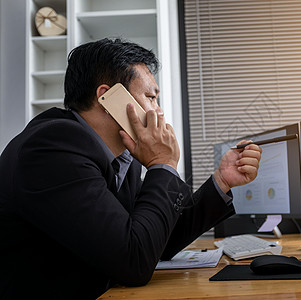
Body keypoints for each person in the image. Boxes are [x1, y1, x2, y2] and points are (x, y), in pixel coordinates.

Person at [0, 38, 262, 299]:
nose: (158, 112)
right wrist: (163, 164)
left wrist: (221, 182)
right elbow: (134, 260)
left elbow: (155, 241)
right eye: (151, 98)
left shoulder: (121, 158)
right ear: (108, 97)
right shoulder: (53, 147)